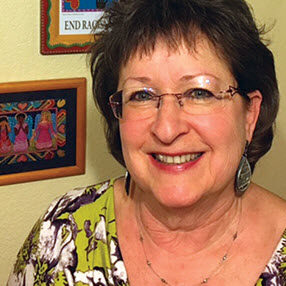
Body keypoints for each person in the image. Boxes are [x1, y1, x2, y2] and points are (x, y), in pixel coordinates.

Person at [8, 0, 286, 285]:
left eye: (199, 93)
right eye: (142, 96)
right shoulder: (59, 233)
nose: (166, 129)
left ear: (250, 115)